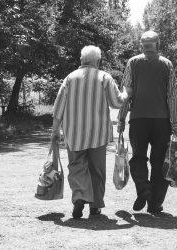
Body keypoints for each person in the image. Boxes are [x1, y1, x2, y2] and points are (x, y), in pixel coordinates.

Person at [51, 45, 131, 219]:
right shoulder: (104, 77)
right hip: (98, 133)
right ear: (98, 61)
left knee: (76, 167)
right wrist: (126, 93)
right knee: (97, 170)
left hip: (74, 133)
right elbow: (116, 103)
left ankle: (79, 197)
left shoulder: (70, 78)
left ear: (81, 60)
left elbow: (58, 107)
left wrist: (55, 130)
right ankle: (95, 206)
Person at [117, 31, 177, 214]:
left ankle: (144, 189)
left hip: (138, 120)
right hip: (161, 122)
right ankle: (155, 204)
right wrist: (174, 122)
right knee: (160, 161)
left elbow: (126, 93)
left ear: (141, 45)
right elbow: (171, 97)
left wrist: (121, 118)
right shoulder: (167, 64)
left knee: (138, 157)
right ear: (157, 44)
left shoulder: (133, 62)